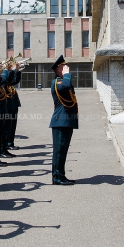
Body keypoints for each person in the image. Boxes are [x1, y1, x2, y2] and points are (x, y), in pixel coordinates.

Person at [49, 56, 78, 185]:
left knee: (63, 151)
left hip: (66, 121)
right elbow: (65, 86)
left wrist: (66, 75)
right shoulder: (57, 82)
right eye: (64, 66)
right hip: (60, 121)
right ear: (59, 69)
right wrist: (66, 75)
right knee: (59, 151)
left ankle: (61, 175)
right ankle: (57, 178)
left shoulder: (63, 81)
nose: (68, 68)